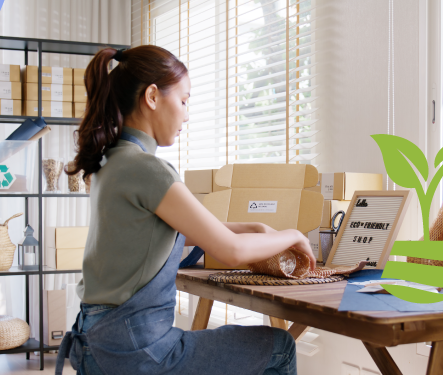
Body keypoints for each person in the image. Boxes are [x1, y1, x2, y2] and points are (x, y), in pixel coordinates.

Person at [56, 45, 316, 375]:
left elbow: (167, 234)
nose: (186, 114)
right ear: (152, 96)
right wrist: (292, 234)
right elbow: (231, 251)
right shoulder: (148, 170)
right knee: (278, 348)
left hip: (98, 344)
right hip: (137, 351)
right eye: (183, 100)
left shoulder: (112, 164)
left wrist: (257, 229)